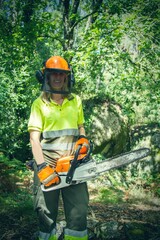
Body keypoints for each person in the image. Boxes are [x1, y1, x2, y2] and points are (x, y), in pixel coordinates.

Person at [28, 56, 90, 240]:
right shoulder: (39, 104)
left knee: (79, 210)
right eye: (53, 73)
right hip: (47, 164)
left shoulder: (75, 101)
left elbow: (80, 126)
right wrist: (41, 166)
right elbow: (34, 138)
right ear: (45, 77)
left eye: (61, 74)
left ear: (67, 77)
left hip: (73, 163)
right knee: (45, 212)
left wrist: (84, 139)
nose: (57, 77)